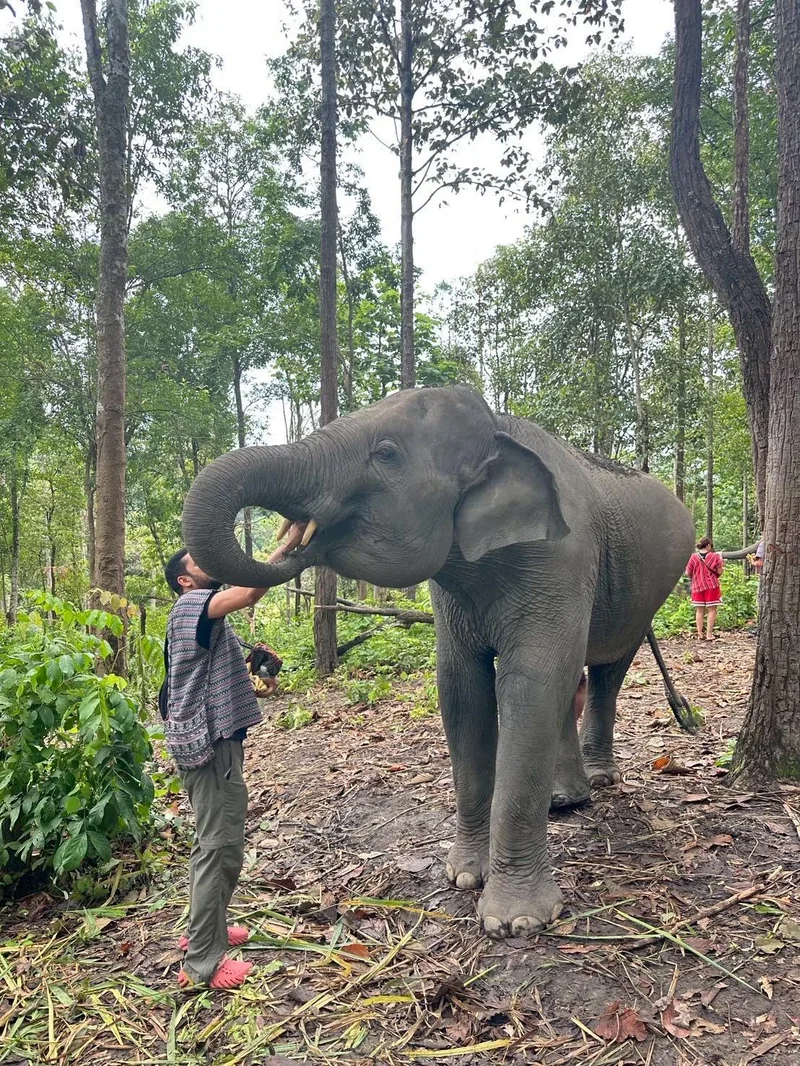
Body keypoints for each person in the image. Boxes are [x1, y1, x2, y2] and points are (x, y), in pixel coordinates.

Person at [162, 523, 305, 990]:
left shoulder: (198, 614)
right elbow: (247, 593)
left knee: (217, 842)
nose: (206, 565)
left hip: (214, 739)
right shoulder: (190, 605)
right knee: (218, 846)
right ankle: (202, 963)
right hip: (210, 743)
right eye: (197, 563)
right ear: (185, 580)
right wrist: (292, 549)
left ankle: (209, 931)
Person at [685, 536, 724, 641]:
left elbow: (688, 572)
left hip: (697, 586)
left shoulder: (693, 557)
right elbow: (720, 571)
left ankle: (700, 634)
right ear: (708, 545)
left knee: (699, 610)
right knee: (712, 610)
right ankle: (709, 634)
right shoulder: (715, 556)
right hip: (712, 586)